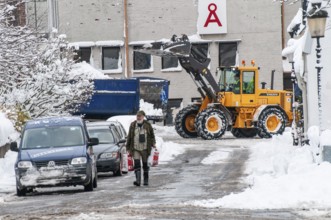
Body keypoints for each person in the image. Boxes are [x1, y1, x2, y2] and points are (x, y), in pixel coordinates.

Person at [126, 110, 156, 186]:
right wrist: (128, 147)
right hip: (135, 148)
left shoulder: (147, 125)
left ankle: (146, 180)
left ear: (143, 116)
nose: (138, 118)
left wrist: (153, 143)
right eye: (137, 116)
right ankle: (138, 181)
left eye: (140, 116)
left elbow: (152, 135)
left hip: (145, 148)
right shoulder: (133, 125)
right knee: (137, 164)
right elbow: (129, 136)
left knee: (145, 165)